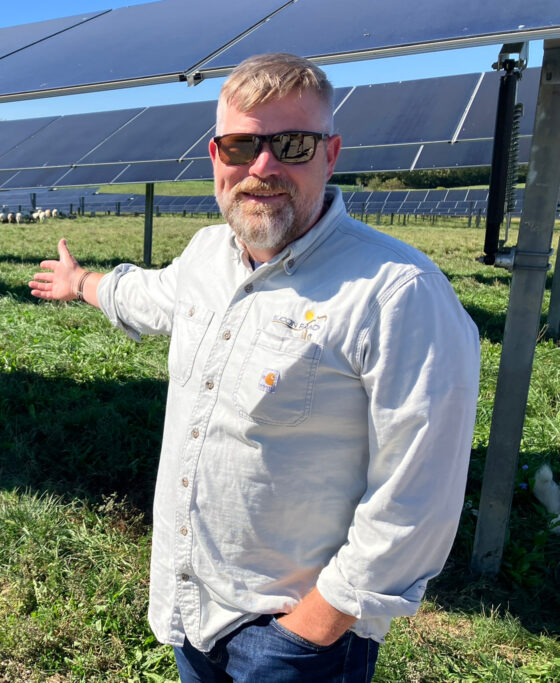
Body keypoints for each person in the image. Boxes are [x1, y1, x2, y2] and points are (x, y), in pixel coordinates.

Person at [29, 53, 480, 682]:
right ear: (215, 156)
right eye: (241, 145)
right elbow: (153, 298)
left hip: (295, 638)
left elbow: (418, 496)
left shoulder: (397, 293)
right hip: (192, 610)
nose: (262, 166)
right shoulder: (206, 254)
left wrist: (317, 626)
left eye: (291, 144)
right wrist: (83, 283)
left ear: (331, 153)